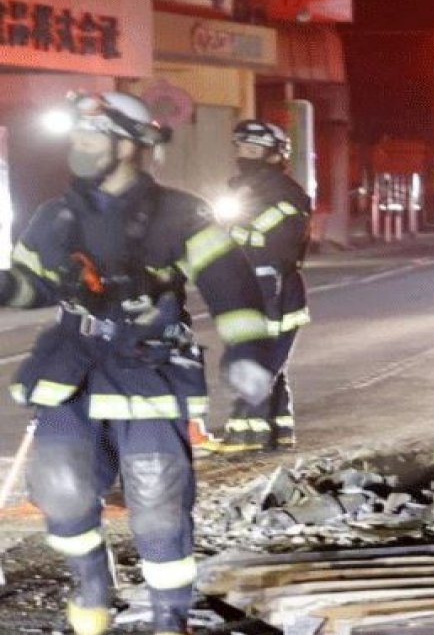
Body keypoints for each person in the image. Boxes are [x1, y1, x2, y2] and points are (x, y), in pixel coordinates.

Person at [4, 91, 275, 635]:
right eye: (75, 137)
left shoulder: (181, 214)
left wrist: (246, 352)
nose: (79, 148)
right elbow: (31, 285)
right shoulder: (53, 216)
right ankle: (91, 583)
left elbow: (229, 285)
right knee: (60, 485)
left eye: (91, 137)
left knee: (156, 497)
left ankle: (170, 615)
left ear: (129, 145)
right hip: (69, 368)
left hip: (148, 369)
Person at [199, 120, 312, 454]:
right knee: (267, 361)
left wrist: (231, 234)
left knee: (255, 360)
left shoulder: (286, 193)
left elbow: (273, 240)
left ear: (275, 155)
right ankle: (277, 433)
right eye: (242, 149)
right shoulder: (240, 189)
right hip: (252, 286)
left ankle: (246, 437)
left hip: (273, 288)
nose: (246, 156)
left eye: (254, 150)